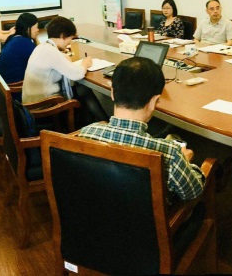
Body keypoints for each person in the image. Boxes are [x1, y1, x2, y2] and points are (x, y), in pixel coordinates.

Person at [77, 57, 206, 203]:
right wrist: (185, 162)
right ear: (154, 101)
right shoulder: (170, 153)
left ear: (112, 92)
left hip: (96, 212)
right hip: (149, 218)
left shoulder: (85, 133)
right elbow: (193, 191)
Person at [22, 17, 92, 104]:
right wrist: (85, 64)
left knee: (82, 90)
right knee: (85, 91)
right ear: (63, 36)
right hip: (43, 105)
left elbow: (62, 59)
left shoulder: (43, 46)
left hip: (32, 101)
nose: (70, 43)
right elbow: (77, 74)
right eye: (70, 38)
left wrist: (62, 54)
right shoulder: (51, 52)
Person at [0, 12, 40, 85]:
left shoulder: (14, 38)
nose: (38, 30)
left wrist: (35, 37)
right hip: (14, 86)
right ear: (28, 28)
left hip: (2, 84)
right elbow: (41, 60)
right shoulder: (24, 43)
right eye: (36, 27)